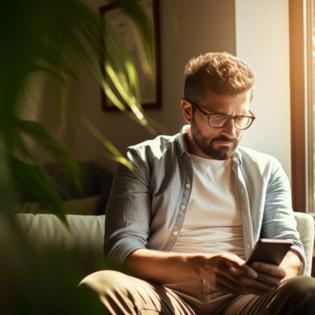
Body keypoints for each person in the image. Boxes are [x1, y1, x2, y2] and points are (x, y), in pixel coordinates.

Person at [81, 52, 315, 314]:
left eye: (241, 118)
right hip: (163, 297)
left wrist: (279, 272)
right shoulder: (144, 160)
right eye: (218, 117)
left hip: (244, 302)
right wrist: (200, 267)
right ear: (187, 111)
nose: (232, 131)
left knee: (307, 291)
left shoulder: (267, 170)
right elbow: (121, 252)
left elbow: (292, 249)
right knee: (98, 286)